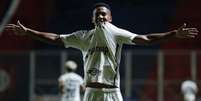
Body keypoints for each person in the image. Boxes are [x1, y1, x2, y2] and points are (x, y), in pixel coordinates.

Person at [5, 2, 199, 101]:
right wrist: (28, 32)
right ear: (92, 19)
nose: (100, 16)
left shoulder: (115, 33)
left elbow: (146, 39)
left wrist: (174, 33)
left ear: (110, 18)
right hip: (91, 93)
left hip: (111, 93)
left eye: (103, 13)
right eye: (97, 14)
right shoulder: (83, 37)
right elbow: (55, 38)